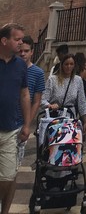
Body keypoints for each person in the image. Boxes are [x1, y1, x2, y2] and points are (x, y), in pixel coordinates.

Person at [0, 23, 31, 214]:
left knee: (8, 177)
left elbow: (25, 94)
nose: (21, 43)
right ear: (4, 40)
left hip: (11, 129)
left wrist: (27, 125)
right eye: (17, 39)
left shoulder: (20, 65)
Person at [42, 52, 86, 132]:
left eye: (71, 64)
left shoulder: (78, 80)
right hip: (54, 117)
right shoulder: (52, 80)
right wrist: (50, 105)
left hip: (70, 118)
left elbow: (82, 103)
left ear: (74, 66)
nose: (69, 66)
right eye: (66, 64)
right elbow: (43, 99)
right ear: (62, 65)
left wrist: (85, 122)